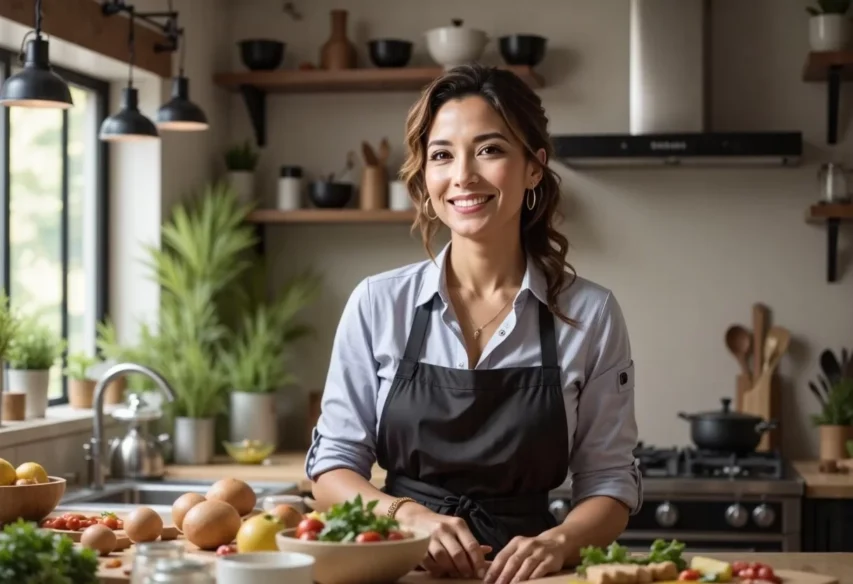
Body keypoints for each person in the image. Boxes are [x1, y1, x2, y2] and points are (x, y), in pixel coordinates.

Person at [304, 63, 642, 584]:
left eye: (489, 149)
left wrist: (558, 542)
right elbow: (331, 470)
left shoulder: (590, 314)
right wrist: (406, 517)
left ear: (534, 167)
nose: (463, 175)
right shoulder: (378, 303)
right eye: (442, 155)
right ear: (425, 176)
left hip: (529, 575)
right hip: (401, 566)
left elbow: (610, 482)